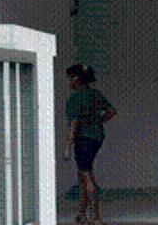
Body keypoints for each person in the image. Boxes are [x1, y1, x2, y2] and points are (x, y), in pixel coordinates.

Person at [64, 64, 117, 225]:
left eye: (71, 78)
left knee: (86, 176)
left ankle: (95, 217)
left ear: (77, 79)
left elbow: (74, 124)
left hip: (83, 140)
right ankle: (81, 214)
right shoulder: (96, 94)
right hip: (97, 137)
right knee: (82, 174)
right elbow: (111, 111)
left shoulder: (74, 99)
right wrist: (98, 121)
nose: (69, 81)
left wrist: (68, 147)